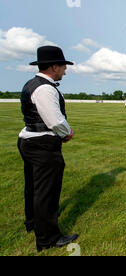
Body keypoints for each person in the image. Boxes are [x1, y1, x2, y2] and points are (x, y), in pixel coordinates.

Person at [17, 46, 79, 251]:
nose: (65, 71)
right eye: (63, 66)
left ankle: (33, 222)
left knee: (33, 187)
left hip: (29, 139)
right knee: (47, 192)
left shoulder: (31, 84)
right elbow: (55, 121)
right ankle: (48, 238)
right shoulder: (45, 88)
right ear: (54, 67)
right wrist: (66, 132)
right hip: (42, 144)